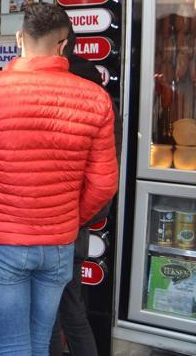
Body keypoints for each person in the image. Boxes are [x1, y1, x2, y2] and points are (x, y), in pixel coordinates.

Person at [0, 2, 119, 356]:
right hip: (59, 242)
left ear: (19, 38)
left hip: (4, 242)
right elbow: (104, 183)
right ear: (63, 45)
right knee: (41, 343)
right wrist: (69, 216)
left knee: (13, 347)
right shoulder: (95, 99)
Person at [49, 30, 116, 356]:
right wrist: (81, 216)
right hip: (79, 222)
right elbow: (103, 182)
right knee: (72, 306)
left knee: (48, 312)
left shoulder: (60, 90)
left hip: (54, 223)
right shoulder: (100, 94)